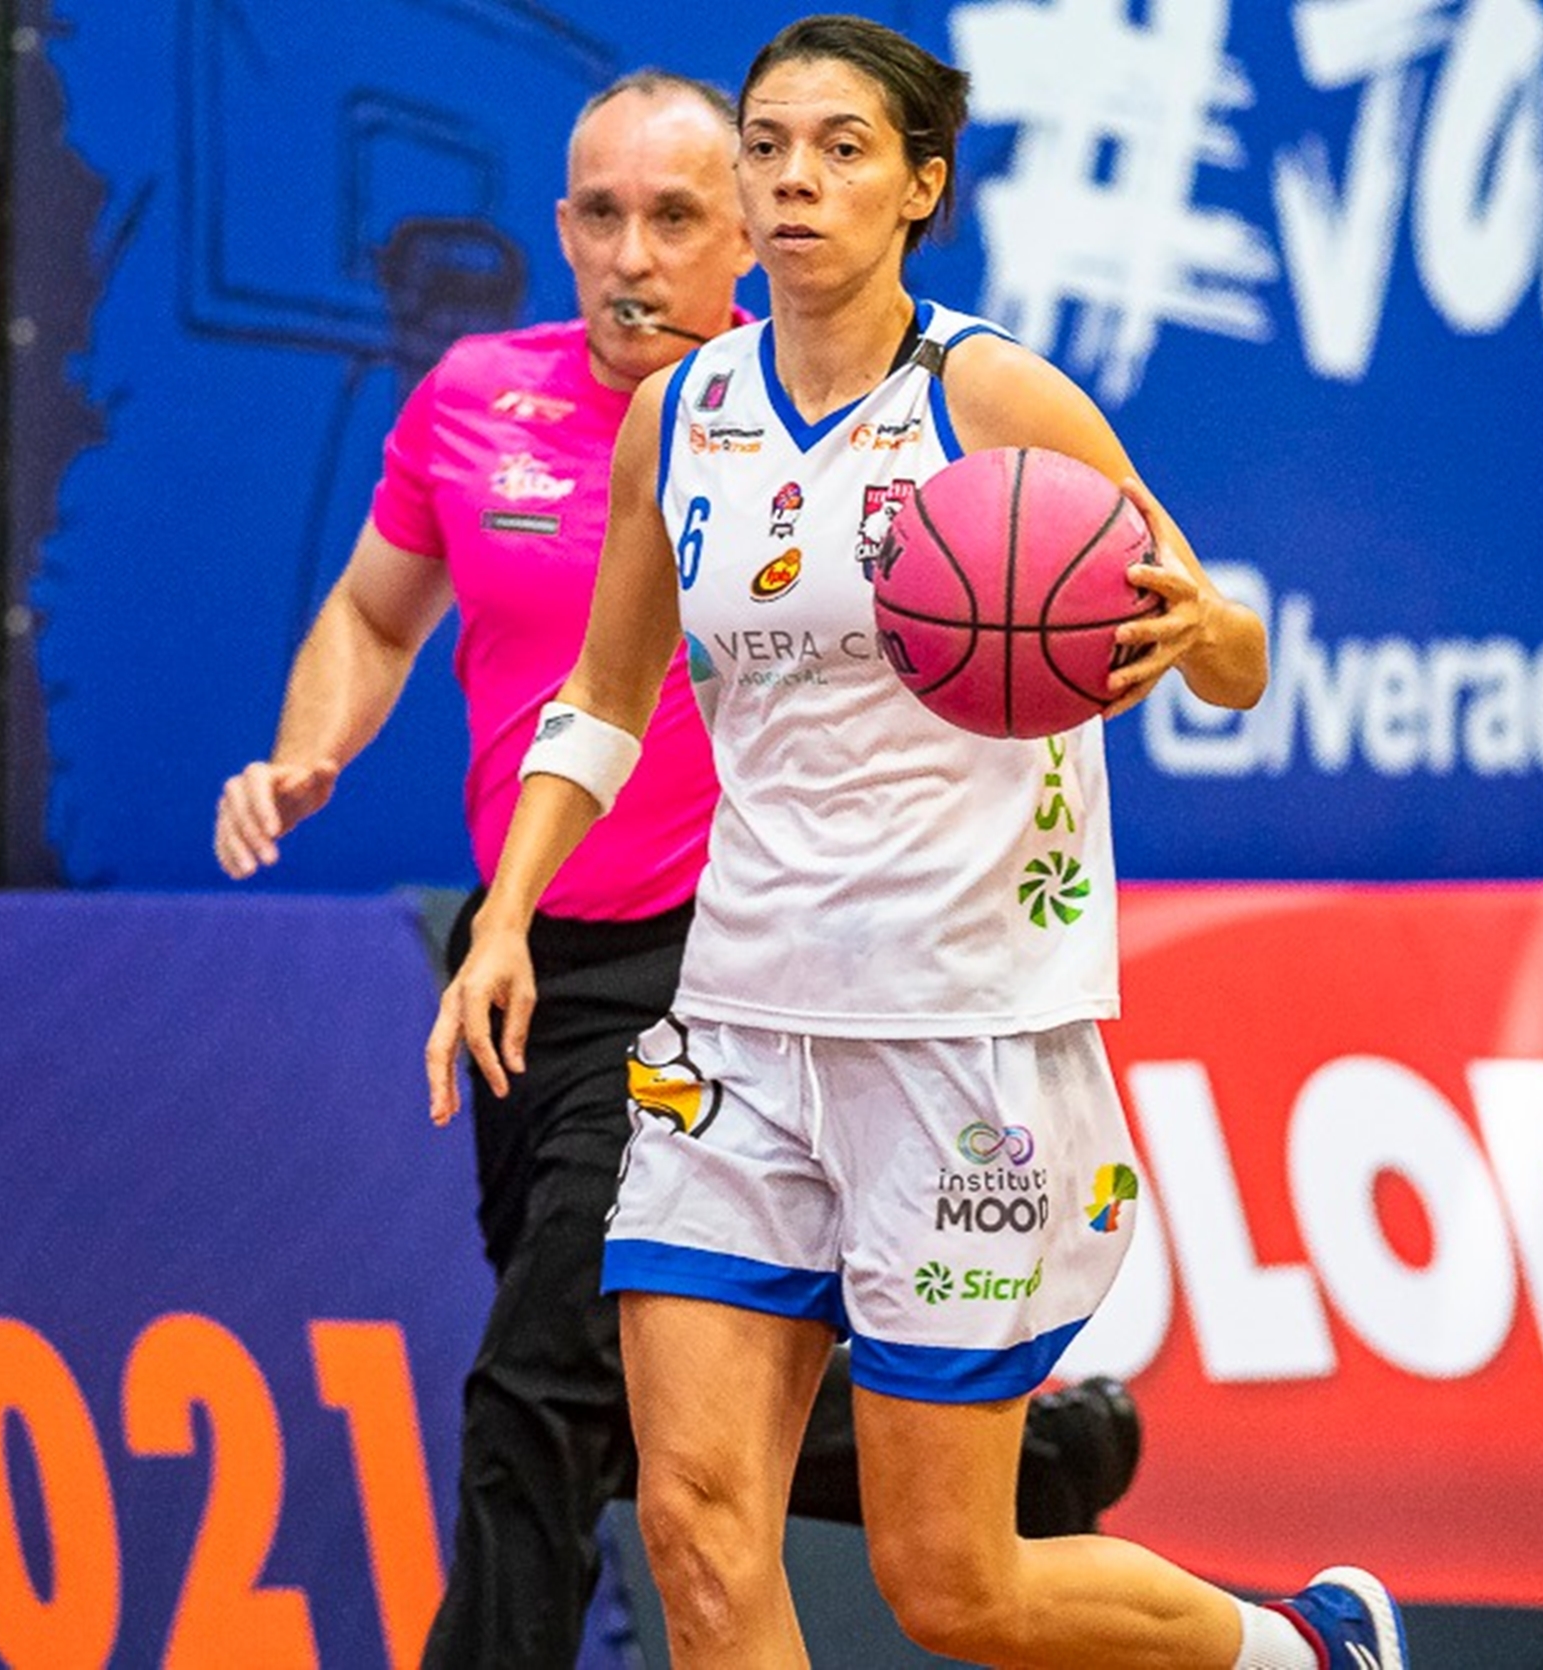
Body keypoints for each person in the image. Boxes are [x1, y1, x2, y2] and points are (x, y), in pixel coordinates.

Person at [433, 15, 1406, 1670]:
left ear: (919, 188)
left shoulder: (994, 395)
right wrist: (510, 914)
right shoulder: (680, 417)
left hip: (959, 1038)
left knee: (950, 1583)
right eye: (768, 143)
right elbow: (599, 705)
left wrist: (1199, 634)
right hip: (735, 1029)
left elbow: (1231, 659)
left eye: (841, 147)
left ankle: (1302, 1650)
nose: (794, 176)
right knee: (692, 1523)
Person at [213, 68, 1142, 1670]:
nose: (632, 252)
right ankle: (1039, 1469)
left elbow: (1133, 606)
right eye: (600, 214)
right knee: (635, 1424)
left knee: (533, 1407)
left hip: (712, 975)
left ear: (744, 240)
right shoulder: (488, 402)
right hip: (535, 966)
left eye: (674, 215)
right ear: (560, 227)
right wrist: (318, 751)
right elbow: (390, 618)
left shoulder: (848, 413)